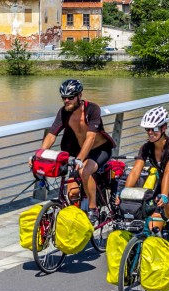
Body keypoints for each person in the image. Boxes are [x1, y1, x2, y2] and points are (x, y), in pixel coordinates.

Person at [35, 79, 116, 224]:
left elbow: (91, 138)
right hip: (79, 151)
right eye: (64, 98)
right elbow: (52, 134)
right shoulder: (64, 113)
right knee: (72, 191)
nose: (67, 101)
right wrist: (39, 155)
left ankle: (93, 210)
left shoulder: (92, 109)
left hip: (99, 150)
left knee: (84, 171)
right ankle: (76, 216)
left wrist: (79, 159)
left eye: (70, 97)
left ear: (79, 95)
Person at [123, 106, 169, 254]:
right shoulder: (146, 148)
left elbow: (168, 173)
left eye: (154, 128)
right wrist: (124, 193)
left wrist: (163, 195)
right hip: (163, 186)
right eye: (147, 129)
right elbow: (135, 171)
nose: (150, 132)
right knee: (152, 228)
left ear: (163, 128)